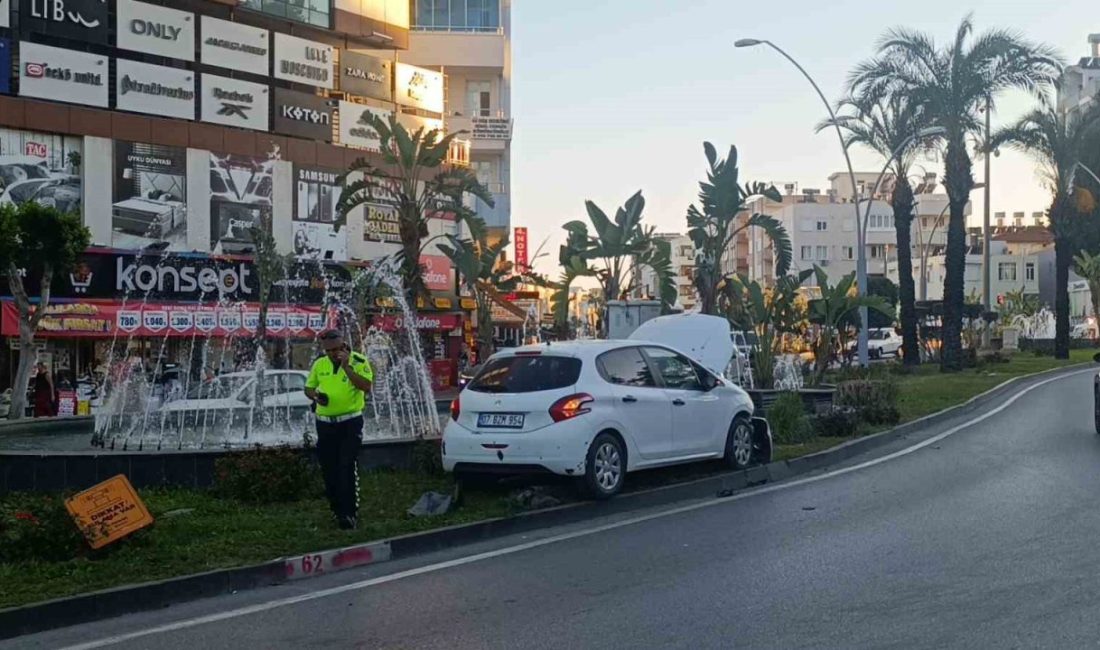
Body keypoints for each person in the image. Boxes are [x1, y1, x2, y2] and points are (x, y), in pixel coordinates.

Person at [304, 330, 374, 530]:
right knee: (329, 469)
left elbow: (366, 386)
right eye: (329, 351)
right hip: (325, 423)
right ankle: (336, 510)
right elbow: (308, 388)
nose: (334, 354)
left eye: (337, 349)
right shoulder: (320, 364)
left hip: (350, 423)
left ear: (344, 345)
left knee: (346, 466)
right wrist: (316, 396)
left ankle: (349, 513)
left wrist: (347, 367)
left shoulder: (359, 361)